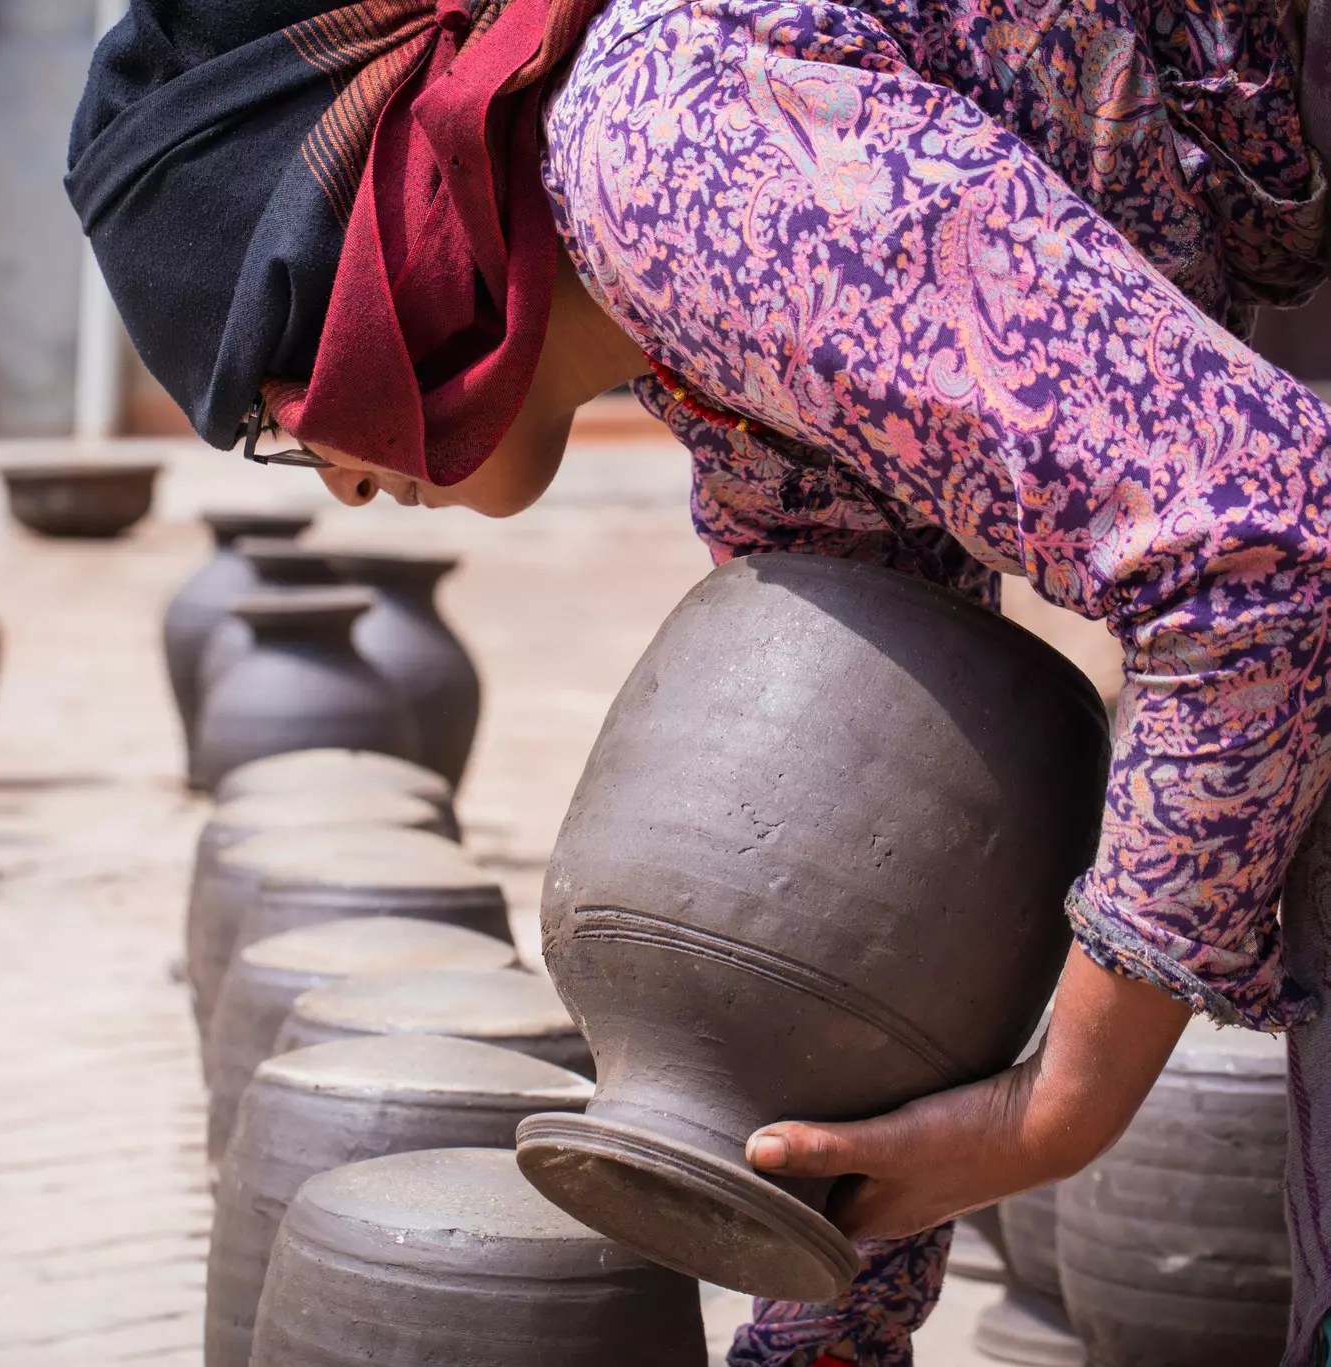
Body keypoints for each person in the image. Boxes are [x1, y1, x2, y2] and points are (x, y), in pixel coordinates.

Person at [69, 1, 1331, 1362]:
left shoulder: (662, 152)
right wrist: (818, 1330)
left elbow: (1262, 563)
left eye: (277, 409)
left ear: (377, 244)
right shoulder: (707, 365)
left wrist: (1060, 1105)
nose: (340, 480)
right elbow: (898, 869)